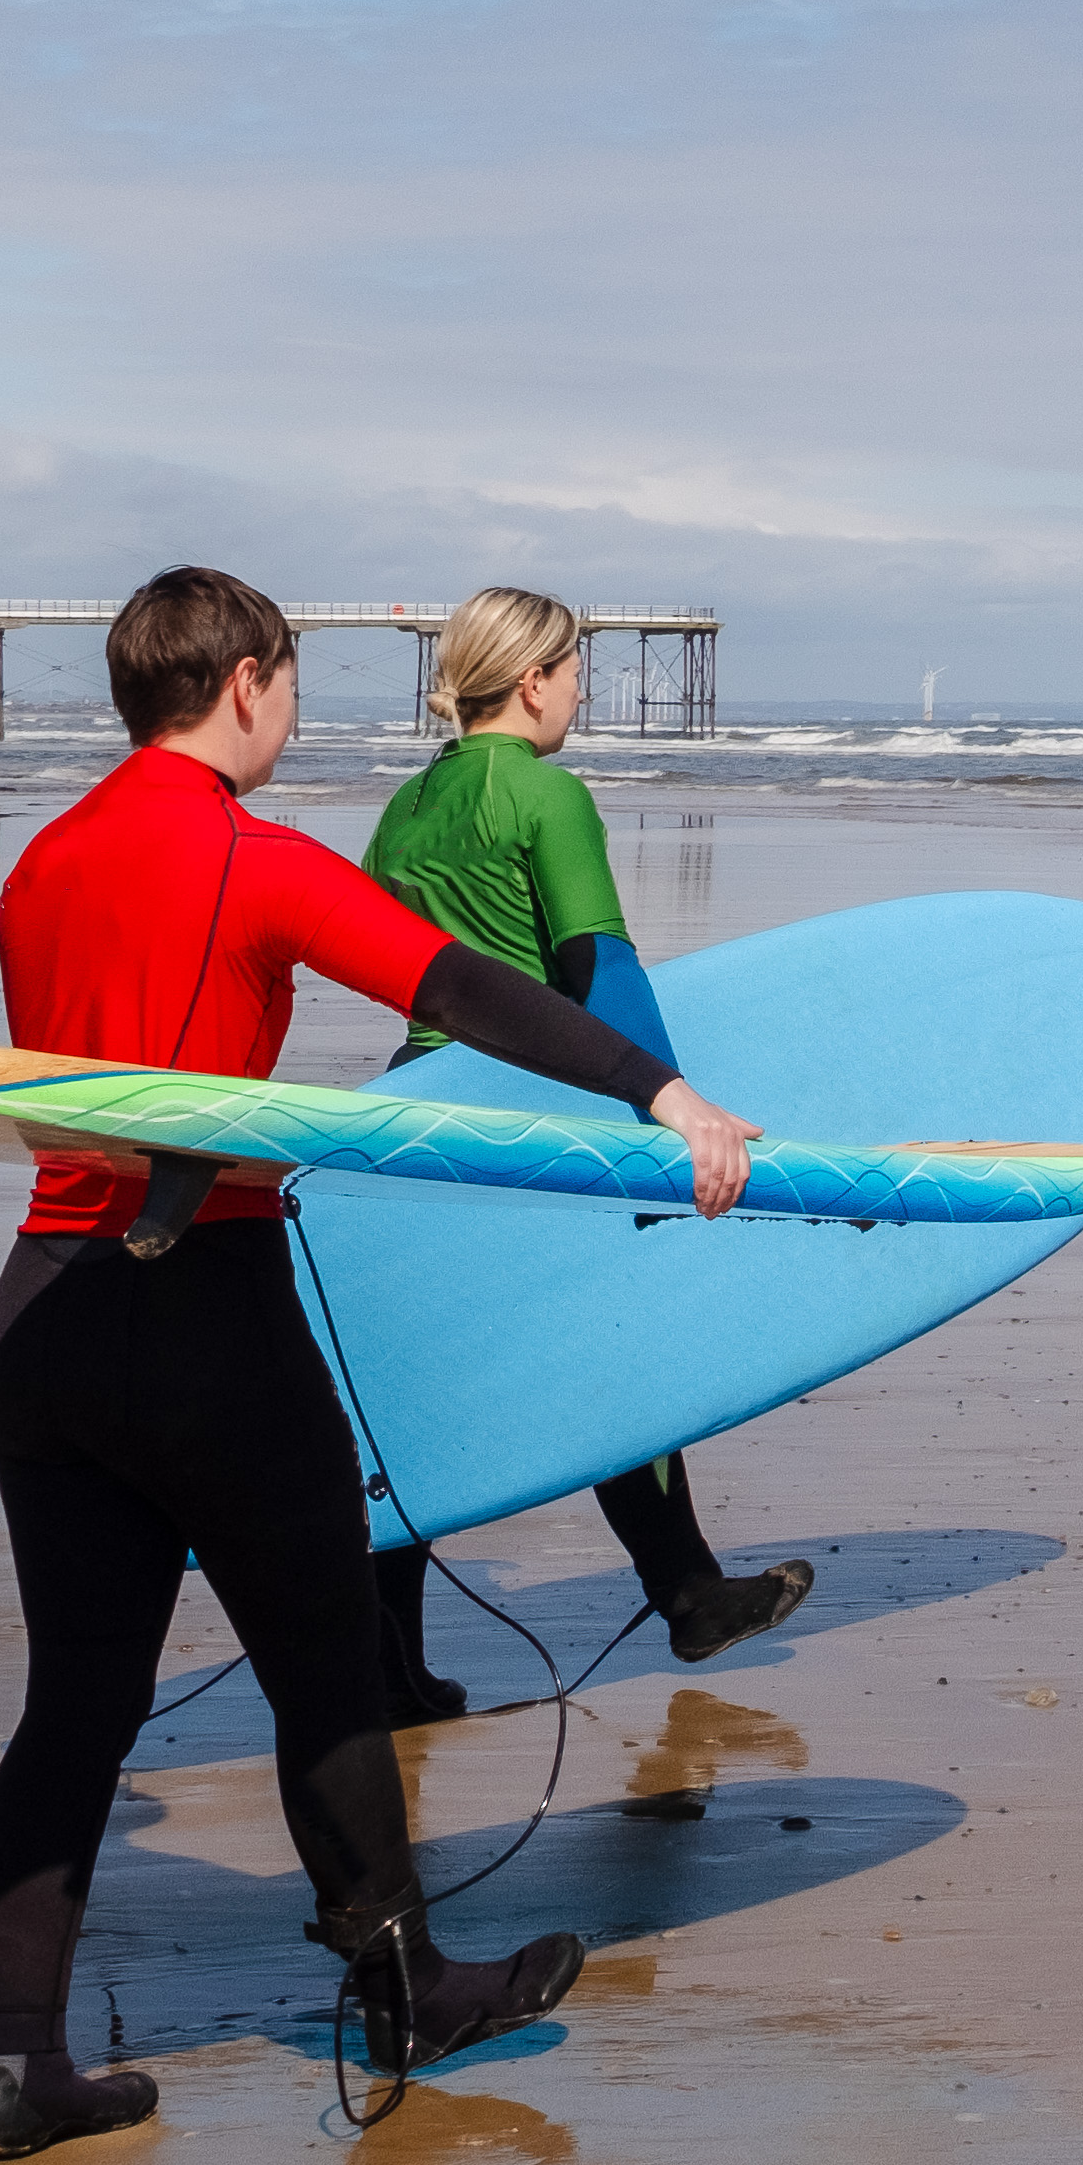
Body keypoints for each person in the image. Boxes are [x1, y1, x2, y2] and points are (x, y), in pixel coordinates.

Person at [0, 564, 768, 2162]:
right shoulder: (251, 858)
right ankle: (406, 1997)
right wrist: (660, 1096)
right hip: (205, 1309)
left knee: (74, 1711)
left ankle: (14, 2067)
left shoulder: (43, 863)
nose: (295, 716)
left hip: (43, 1319)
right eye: (293, 688)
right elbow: (459, 989)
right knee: (325, 1668)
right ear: (247, 681)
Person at [357, 584, 821, 1699]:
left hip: (413, 1117)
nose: (581, 692)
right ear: (533, 681)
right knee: (610, 1355)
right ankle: (693, 1595)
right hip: (537, 1117)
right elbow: (596, 968)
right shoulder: (547, 795)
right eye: (576, 673)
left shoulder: (402, 812)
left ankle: (389, 1668)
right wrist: (673, 1102)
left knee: (412, 1389)